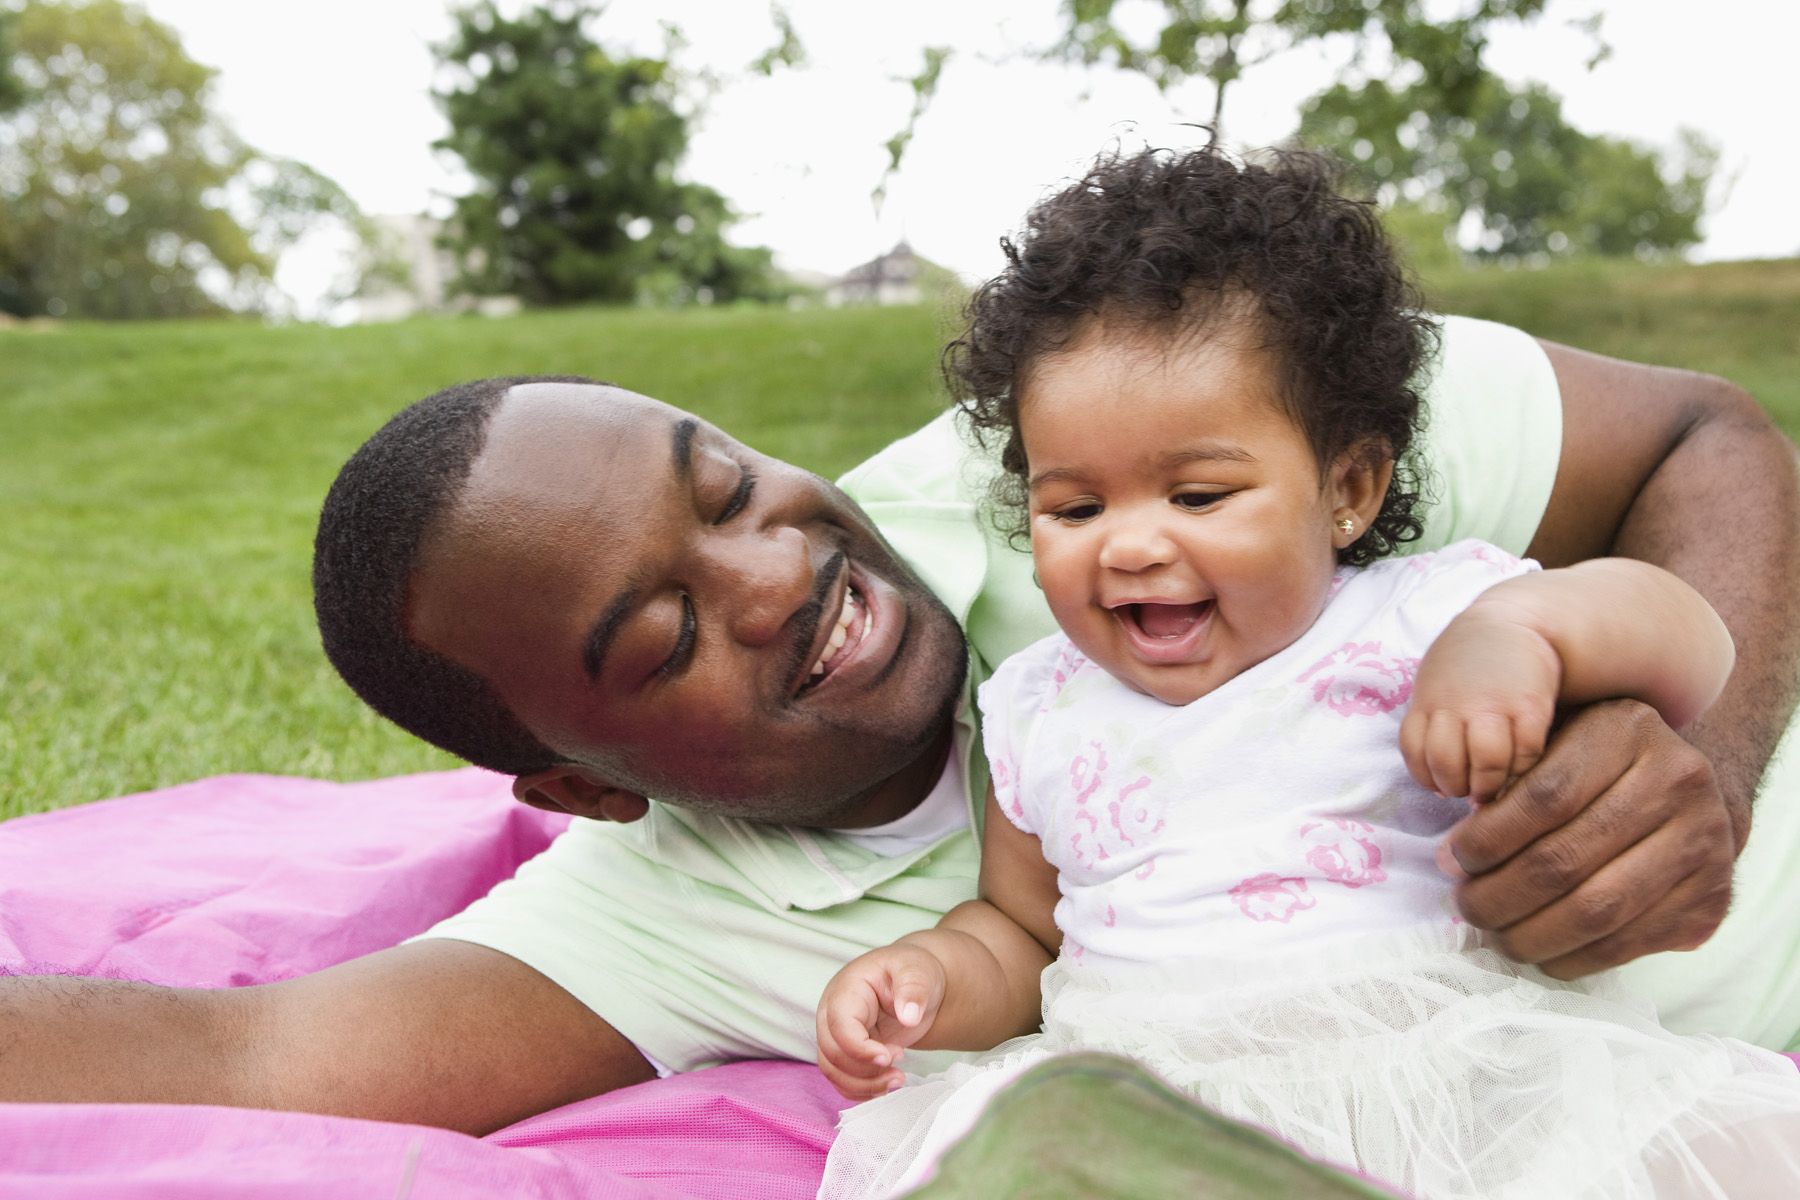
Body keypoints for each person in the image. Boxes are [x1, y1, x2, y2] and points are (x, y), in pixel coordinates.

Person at [0, 150, 1796, 1140]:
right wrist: (935, 991)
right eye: (665, 635)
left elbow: (1707, 437)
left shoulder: (1148, 425)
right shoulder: (665, 907)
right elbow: (252, 1064)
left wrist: (1695, 762)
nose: (778, 571)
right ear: (587, 788)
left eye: (727, 485)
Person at [812, 145, 1800, 1199]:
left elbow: (1693, 638)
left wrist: (1521, 635)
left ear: (1349, 490)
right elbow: (1020, 934)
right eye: (1076, 507)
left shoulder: (1426, 616)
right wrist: (930, 977)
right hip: (1157, 1123)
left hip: (1448, 1090)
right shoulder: (1038, 706)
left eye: (1198, 496)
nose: (1129, 545)